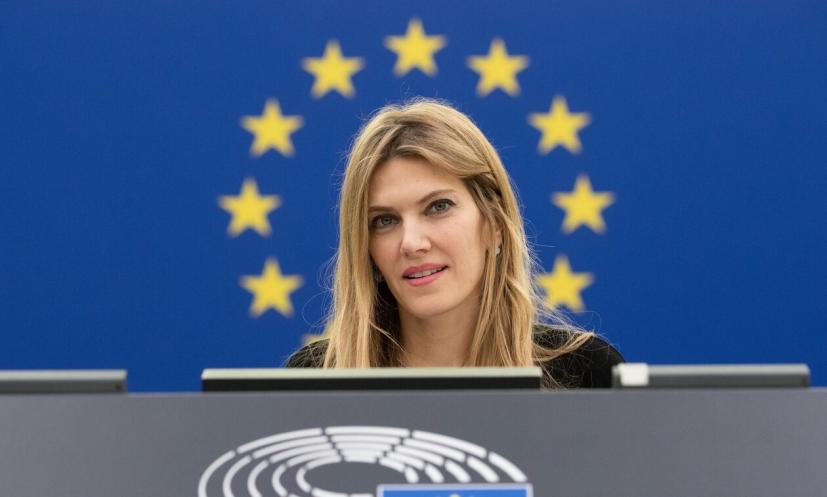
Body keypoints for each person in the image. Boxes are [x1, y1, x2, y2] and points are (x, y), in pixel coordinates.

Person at [286, 98, 622, 388]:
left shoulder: (586, 374)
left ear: (495, 223)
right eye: (384, 220)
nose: (411, 243)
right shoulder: (312, 383)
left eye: (438, 207)